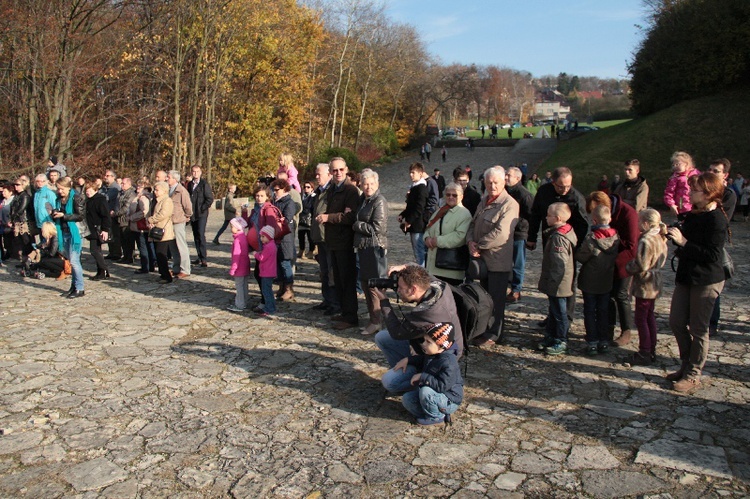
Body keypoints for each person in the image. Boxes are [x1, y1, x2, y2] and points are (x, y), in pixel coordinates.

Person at [666, 172, 728, 393]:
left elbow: (712, 254)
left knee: (699, 328)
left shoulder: (717, 219)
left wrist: (684, 242)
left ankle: (693, 374)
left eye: (695, 190)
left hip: (706, 279)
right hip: (686, 276)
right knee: (676, 321)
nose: (689, 193)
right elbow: (686, 240)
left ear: (709, 193)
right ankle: (686, 363)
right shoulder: (692, 214)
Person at [373, 264, 464, 393]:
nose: (397, 290)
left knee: (389, 382)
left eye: (400, 287)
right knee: (382, 337)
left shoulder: (427, 312)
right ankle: (405, 369)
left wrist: (384, 301)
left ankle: (419, 382)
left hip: (439, 358)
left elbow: (396, 332)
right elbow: (422, 273)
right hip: (436, 345)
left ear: (413, 289)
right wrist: (404, 267)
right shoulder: (439, 286)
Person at [467, 166, 519, 347]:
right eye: (488, 182)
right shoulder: (484, 200)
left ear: (504, 181)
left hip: (497, 260)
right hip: (482, 260)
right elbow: (473, 224)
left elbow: (502, 233)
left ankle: (495, 334)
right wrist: (470, 242)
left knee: (496, 300)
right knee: (485, 299)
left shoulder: (509, 204)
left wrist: (479, 245)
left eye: (495, 182)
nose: (492, 186)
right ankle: (484, 330)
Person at [392, 322, 464, 426]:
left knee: (426, 392)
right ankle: (432, 412)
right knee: (407, 399)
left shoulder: (448, 363)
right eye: (424, 340)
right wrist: (408, 360)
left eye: (428, 342)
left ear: (441, 347)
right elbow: (422, 360)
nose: (423, 344)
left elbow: (442, 386)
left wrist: (422, 377)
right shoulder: (432, 354)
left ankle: (436, 417)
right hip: (434, 393)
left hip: (448, 399)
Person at [317, 157, 360, 330]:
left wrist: (329, 217)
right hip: (333, 241)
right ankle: (344, 312)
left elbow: (350, 217)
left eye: (341, 170)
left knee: (347, 281)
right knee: (338, 280)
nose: (338, 173)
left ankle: (351, 317)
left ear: (346, 170)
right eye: (335, 170)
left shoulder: (350, 190)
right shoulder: (333, 189)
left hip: (345, 242)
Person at [625, 208, 668, 365]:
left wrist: (628, 267)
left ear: (645, 223)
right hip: (655, 280)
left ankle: (645, 350)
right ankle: (651, 348)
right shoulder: (660, 237)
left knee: (641, 317)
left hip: (645, 283)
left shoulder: (646, 240)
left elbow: (642, 264)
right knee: (649, 316)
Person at [576, 205, 619, 356]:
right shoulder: (615, 238)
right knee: (603, 310)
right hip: (606, 279)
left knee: (589, 310)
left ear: (594, 220)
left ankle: (592, 341)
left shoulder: (592, 238)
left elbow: (582, 256)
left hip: (590, 280)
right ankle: (604, 340)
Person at [537, 202, 577, 355]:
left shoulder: (559, 238)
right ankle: (551, 335)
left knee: (560, 313)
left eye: (549, 215)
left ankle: (561, 339)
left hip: (558, 283)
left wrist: (552, 282)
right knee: (553, 311)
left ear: (558, 218)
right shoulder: (561, 232)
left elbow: (559, 264)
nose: (546, 218)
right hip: (557, 282)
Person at [352, 169, 388, 336]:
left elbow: (378, 228)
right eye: (365, 184)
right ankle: (373, 320)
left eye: (371, 184)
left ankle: (378, 321)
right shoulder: (364, 200)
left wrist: (357, 225)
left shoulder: (379, 201)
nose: (368, 187)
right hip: (364, 247)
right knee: (366, 285)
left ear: (377, 184)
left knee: (374, 287)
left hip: (374, 247)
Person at [706, 158, 737, 335]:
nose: (711, 173)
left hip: (716, 242)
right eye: (709, 169)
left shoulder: (728, 194)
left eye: (716, 171)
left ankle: (712, 321)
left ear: (725, 175)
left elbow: (722, 219)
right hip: (699, 238)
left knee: (713, 282)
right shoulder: (705, 190)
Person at [424, 182, 472, 286]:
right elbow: (429, 227)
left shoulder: (464, 214)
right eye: (448, 194)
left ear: (461, 196)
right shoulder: (440, 211)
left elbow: (459, 237)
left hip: (450, 268)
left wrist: (436, 241)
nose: (451, 197)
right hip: (433, 266)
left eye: (454, 195)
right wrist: (427, 238)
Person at [310, 164, 340, 315]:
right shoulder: (320, 191)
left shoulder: (332, 190)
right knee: (323, 271)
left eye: (318, 174)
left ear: (328, 174)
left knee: (331, 272)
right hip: (320, 237)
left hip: (329, 236)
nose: (316, 177)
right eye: (315, 174)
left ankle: (335, 303)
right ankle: (327, 300)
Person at [53, 177, 86, 298]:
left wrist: (64, 215)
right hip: (64, 231)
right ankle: (74, 286)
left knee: (74, 261)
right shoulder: (58, 199)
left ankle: (80, 288)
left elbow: (80, 216)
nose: (60, 191)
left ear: (68, 187)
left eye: (62, 189)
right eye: (58, 189)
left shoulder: (77, 198)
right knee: (70, 261)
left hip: (75, 232)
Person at [505, 167, 534, 303]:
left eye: (508, 175)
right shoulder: (504, 190)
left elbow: (531, 215)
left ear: (517, 178)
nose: (506, 177)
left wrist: (530, 236)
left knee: (518, 263)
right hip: (506, 232)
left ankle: (516, 289)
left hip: (519, 232)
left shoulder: (524, 194)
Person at [271, 178, 297, 301]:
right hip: (275, 237)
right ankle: (281, 287)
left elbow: (287, 219)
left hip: (285, 237)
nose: (275, 192)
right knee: (278, 264)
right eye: (274, 190)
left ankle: (289, 289)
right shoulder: (274, 201)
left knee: (285, 263)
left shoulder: (289, 202)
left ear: (284, 189)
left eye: (277, 190)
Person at [399, 163, 429, 267]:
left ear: (420, 174)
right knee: (418, 252)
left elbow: (419, 208)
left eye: (413, 173)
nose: (411, 175)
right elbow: (411, 206)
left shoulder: (421, 188)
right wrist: (402, 215)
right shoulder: (414, 187)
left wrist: (409, 221)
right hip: (414, 225)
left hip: (418, 225)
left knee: (420, 252)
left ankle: (423, 276)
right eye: (410, 172)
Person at [147, 181, 175, 284]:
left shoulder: (167, 201)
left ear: (164, 191)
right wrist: (149, 221)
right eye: (155, 190)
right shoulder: (155, 200)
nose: (155, 192)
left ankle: (167, 276)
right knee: (158, 254)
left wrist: (151, 220)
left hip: (163, 231)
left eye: (157, 190)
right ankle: (162, 274)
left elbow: (163, 214)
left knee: (161, 253)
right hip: (155, 229)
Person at [83, 182, 112, 281]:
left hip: (98, 229)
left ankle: (103, 270)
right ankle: (101, 271)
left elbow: (106, 216)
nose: (88, 193)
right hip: (91, 229)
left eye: (90, 191)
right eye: (86, 191)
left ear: (95, 190)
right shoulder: (89, 200)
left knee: (94, 251)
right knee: (97, 251)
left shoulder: (100, 200)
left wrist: (105, 229)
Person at [167, 170, 193, 279]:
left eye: (168, 177)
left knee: (181, 246)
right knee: (173, 247)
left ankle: (185, 269)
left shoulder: (181, 191)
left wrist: (186, 216)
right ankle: (176, 267)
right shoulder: (169, 190)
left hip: (178, 221)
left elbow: (188, 206)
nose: (167, 179)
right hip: (169, 222)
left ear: (175, 179)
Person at [187, 165, 214, 268]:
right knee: (195, 235)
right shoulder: (190, 184)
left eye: (197, 171)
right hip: (193, 214)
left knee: (201, 234)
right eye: (193, 171)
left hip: (201, 213)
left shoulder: (204, 184)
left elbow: (209, 199)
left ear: (201, 172)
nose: (195, 173)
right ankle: (199, 256)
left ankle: (204, 258)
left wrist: (202, 208)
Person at [129, 180, 156, 274]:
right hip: (141, 226)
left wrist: (132, 217)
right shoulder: (142, 197)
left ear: (145, 189)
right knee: (146, 246)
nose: (137, 189)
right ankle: (149, 266)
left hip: (141, 226)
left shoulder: (143, 198)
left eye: (140, 187)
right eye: (137, 187)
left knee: (143, 247)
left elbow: (144, 212)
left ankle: (146, 267)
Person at [664, 151, 700, 218]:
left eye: (677, 164)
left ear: (686, 164)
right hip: (682, 207)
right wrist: (671, 204)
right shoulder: (675, 178)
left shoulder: (696, 174)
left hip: (696, 205)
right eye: (673, 165)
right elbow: (669, 193)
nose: (675, 167)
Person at [9, 176, 35, 264]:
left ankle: (30, 259)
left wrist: (13, 217)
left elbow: (21, 209)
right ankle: (24, 260)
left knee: (27, 240)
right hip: (18, 221)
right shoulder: (17, 196)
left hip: (24, 221)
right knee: (21, 241)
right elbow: (13, 208)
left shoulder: (25, 196)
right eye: (15, 185)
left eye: (18, 185)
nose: (16, 186)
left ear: (23, 185)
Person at [227, 217, 250, 313]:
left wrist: (233, 268)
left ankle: (239, 304)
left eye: (232, 226)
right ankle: (245, 301)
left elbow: (236, 256)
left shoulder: (237, 240)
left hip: (239, 266)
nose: (231, 228)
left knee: (239, 286)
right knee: (244, 285)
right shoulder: (243, 237)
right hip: (245, 265)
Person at [254, 225, 278, 317]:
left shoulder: (269, 247)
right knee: (268, 290)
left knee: (266, 291)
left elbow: (262, 258)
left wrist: (256, 254)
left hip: (267, 272)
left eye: (263, 237)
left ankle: (269, 308)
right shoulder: (271, 245)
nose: (261, 239)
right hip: (268, 271)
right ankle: (271, 306)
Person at [99, 170, 121, 260]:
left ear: (113, 177)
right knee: (108, 233)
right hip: (105, 214)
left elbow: (105, 198)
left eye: (108, 175)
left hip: (112, 214)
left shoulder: (115, 188)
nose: (105, 177)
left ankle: (116, 253)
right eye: (105, 175)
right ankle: (111, 252)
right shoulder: (105, 187)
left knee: (114, 234)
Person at [116, 177, 137, 264]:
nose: (122, 185)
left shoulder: (131, 193)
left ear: (129, 184)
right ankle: (125, 256)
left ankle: (129, 257)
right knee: (123, 240)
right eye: (121, 183)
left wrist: (116, 213)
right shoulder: (121, 193)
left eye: (123, 183)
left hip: (126, 219)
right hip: (120, 219)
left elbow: (126, 206)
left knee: (128, 239)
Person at [298, 181, 315, 258]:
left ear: (312, 188)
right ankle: (302, 250)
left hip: (309, 218)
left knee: (310, 237)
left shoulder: (314, 196)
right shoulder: (301, 196)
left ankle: (311, 251)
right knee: (300, 236)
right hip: (301, 219)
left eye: (308, 187)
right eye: (305, 187)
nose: (306, 189)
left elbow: (311, 207)